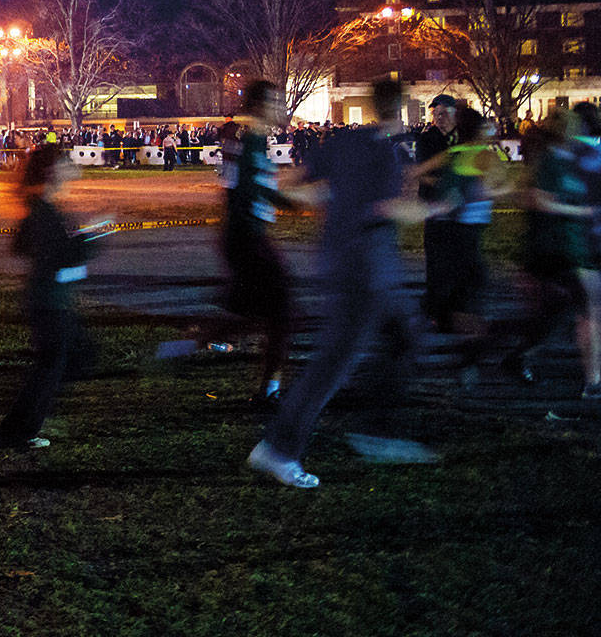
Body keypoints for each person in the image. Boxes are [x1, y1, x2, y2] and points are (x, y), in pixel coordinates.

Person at [248, 79, 434, 489]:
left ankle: (375, 432)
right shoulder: (389, 152)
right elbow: (390, 208)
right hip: (364, 271)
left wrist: (331, 204)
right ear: (402, 108)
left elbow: (291, 184)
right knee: (333, 364)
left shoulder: (341, 142)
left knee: (406, 338)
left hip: (356, 266)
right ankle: (278, 449)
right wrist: (439, 206)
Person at [158, 79, 296, 404]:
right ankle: (268, 392)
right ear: (261, 105)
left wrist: (289, 199)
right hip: (246, 239)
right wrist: (297, 200)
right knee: (282, 314)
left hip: (246, 237)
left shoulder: (256, 140)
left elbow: (257, 188)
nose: (282, 108)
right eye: (277, 101)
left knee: (250, 315)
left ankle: (180, 349)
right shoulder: (246, 140)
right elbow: (242, 191)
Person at [0, 146, 112, 449]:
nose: (72, 166)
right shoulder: (43, 211)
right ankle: (20, 430)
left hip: (52, 300)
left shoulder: (44, 207)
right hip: (49, 303)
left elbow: (21, 246)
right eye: (65, 162)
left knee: (78, 358)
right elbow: (64, 255)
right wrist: (97, 232)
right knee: (55, 366)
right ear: (52, 171)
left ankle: (22, 419)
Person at [476, 108, 597, 394]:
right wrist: (581, 211)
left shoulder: (569, 161)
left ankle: (508, 349)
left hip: (566, 249)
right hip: (550, 251)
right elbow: (537, 200)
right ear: (565, 132)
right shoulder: (550, 163)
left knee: (550, 316)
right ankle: (592, 384)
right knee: (584, 307)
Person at [415, 107, 506, 344]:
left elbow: (418, 172)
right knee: (473, 281)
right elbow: (504, 187)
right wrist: (478, 191)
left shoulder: (453, 152)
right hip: (468, 228)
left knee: (456, 280)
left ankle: (444, 320)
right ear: (480, 130)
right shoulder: (485, 156)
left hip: (445, 224)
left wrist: (441, 183)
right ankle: (474, 339)